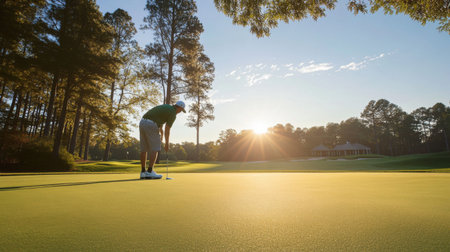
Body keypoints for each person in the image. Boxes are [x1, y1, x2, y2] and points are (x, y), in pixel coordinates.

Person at [139, 101, 186, 179]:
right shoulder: (173, 113)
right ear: (179, 107)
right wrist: (167, 143)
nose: (180, 112)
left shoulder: (167, 107)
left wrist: (162, 134)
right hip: (151, 124)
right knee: (155, 148)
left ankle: (143, 172)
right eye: (181, 110)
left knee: (144, 148)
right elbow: (167, 128)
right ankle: (150, 172)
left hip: (142, 122)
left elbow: (159, 121)